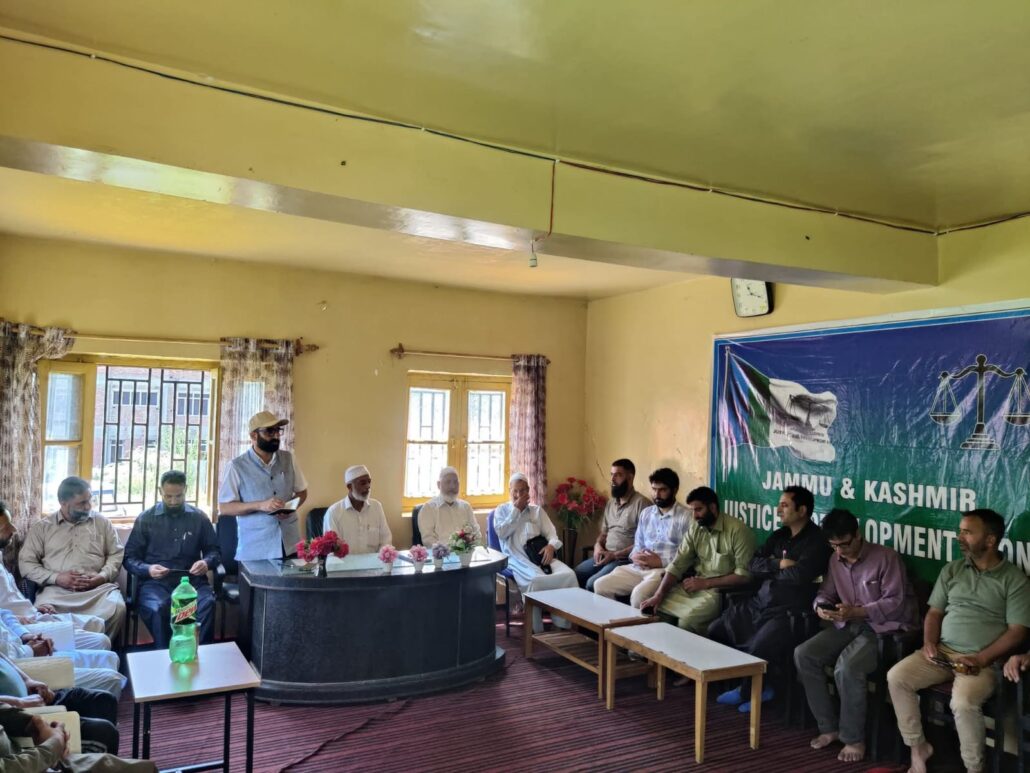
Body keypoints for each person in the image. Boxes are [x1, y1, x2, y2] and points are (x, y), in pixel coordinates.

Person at [887, 509, 1030, 773]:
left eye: (967, 532)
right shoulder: (952, 569)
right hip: (942, 652)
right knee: (897, 677)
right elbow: (934, 613)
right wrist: (929, 643)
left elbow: (1017, 631)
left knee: (963, 703)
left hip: (982, 662)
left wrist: (981, 658)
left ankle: (974, 768)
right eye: (959, 531)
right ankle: (918, 748)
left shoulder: (1014, 579)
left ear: (990, 540)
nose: (959, 537)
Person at [794, 508, 919, 763]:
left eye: (844, 544)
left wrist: (858, 611)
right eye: (833, 545)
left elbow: (895, 602)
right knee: (804, 654)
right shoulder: (835, 560)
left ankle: (853, 738)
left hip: (884, 629)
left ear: (858, 535)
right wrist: (820, 607)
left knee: (848, 667)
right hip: (849, 623)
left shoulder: (886, 557)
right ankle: (828, 727)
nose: (839, 551)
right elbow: (826, 592)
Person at [708, 486, 832, 714]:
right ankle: (741, 682)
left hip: (790, 611)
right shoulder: (780, 535)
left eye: (785, 505)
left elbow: (799, 575)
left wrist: (771, 570)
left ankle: (754, 690)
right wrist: (778, 563)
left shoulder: (817, 541)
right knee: (717, 629)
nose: (778, 510)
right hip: (761, 602)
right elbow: (752, 564)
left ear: (802, 510)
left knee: (759, 646)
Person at [639, 486, 755, 633]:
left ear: (712, 508)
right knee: (657, 608)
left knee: (686, 622)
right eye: (692, 510)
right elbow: (678, 564)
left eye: (698, 510)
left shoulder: (737, 531)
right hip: (694, 586)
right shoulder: (696, 528)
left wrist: (706, 583)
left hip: (718, 593)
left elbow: (744, 576)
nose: (694, 516)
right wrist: (658, 595)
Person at [19, 478, 126, 638]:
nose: (88, 506)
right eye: (82, 503)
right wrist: (56, 578)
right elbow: (26, 563)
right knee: (44, 615)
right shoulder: (42, 528)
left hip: (97, 591)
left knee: (117, 608)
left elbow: (116, 554)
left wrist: (102, 576)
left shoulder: (102, 523)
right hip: (56, 592)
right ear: (63, 503)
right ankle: (69, 651)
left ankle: (99, 648)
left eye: (90, 500)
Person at [124, 470, 220, 648]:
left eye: (178, 496)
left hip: (191, 581)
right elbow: (129, 558)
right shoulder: (146, 518)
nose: (174, 501)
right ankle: (166, 653)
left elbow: (214, 551)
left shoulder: (199, 518)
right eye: (168, 496)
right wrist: (148, 569)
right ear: (160, 491)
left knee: (206, 604)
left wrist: (205, 562)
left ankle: (200, 655)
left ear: (186, 490)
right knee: (158, 607)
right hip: (155, 583)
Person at [0, 503, 110, 650]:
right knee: (101, 641)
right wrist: (16, 619)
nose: (14, 529)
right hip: (19, 627)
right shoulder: (42, 527)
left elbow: (9, 598)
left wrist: (34, 608)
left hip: (32, 614)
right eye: (5, 527)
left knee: (97, 623)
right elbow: (27, 565)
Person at [493, 473, 578, 633]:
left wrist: (551, 547)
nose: (519, 495)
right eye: (515, 491)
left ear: (528, 491)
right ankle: (536, 629)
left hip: (541, 556)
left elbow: (552, 534)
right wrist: (516, 510)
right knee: (536, 580)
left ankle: (561, 624)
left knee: (569, 575)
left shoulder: (537, 511)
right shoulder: (502, 511)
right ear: (510, 491)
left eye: (522, 491)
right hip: (516, 559)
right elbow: (502, 533)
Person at [217, 411, 308, 560]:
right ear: (253, 436)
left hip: (290, 544)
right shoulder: (236, 466)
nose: (276, 436)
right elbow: (225, 507)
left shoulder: (289, 458)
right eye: (269, 431)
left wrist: (290, 507)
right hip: (256, 548)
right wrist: (260, 505)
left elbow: (302, 492)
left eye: (278, 430)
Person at [593, 467, 689, 607]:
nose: (657, 494)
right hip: (638, 567)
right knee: (600, 585)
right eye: (654, 489)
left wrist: (661, 562)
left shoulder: (686, 517)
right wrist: (635, 556)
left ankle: (636, 622)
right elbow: (638, 544)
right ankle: (616, 620)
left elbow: (687, 555)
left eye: (662, 490)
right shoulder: (646, 513)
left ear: (674, 490)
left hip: (664, 571)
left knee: (639, 595)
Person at [0, 651, 120, 754]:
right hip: (15, 715)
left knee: (105, 700)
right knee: (104, 733)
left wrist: (27, 680)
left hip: (32, 697)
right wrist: (18, 702)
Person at [0, 610, 124, 698]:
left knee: (110, 658)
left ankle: (102, 713)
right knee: (112, 679)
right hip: (14, 667)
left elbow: (4, 612)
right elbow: (5, 656)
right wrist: (30, 650)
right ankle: (99, 721)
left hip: (20, 646)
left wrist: (25, 635)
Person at [0, 705, 156, 772]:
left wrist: (35, 724)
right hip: (26, 765)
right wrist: (54, 745)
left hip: (30, 761)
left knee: (144, 769)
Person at [575, 459, 650, 590]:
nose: (613, 479)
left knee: (592, 584)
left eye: (618, 475)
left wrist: (615, 555)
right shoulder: (611, 503)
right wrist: (598, 545)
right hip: (605, 554)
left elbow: (645, 543)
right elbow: (604, 533)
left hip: (624, 560)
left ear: (630, 477)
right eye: (611, 474)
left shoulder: (642, 504)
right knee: (576, 574)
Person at [322, 466, 392, 553]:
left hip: (374, 561)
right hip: (345, 562)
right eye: (363, 483)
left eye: (369, 482)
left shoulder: (377, 507)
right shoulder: (333, 513)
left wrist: (380, 558)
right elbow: (332, 550)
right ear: (349, 486)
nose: (368, 486)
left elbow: (386, 540)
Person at [416, 467, 481, 547]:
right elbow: (428, 540)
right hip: (441, 553)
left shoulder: (466, 507)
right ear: (438, 484)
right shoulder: (428, 508)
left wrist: (470, 547)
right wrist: (448, 550)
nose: (452, 486)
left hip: (466, 553)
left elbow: (476, 533)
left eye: (455, 482)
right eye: (448, 482)